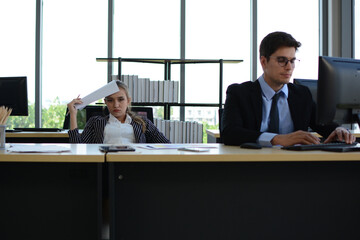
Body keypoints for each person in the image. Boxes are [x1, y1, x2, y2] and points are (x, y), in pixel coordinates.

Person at [221, 31, 355, 147]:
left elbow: (323, 124)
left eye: (292, 61)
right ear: (263, 62)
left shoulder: (302, 95)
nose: (289, 67)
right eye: (282, 60)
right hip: (252, 166)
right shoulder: (239, 93)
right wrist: (276, 139)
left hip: (294, 167)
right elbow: (230, 133)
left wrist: (339, 130)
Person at [67, 80, 170, 144]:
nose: (116, 105)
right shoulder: (95, 122)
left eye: (120, 99)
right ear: (106, 102)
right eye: (110, 100)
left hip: (135, 166)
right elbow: (77, 149)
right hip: (105, 167)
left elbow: (166, 144)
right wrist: (73, 114)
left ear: (128, 101)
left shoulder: (142, 122)